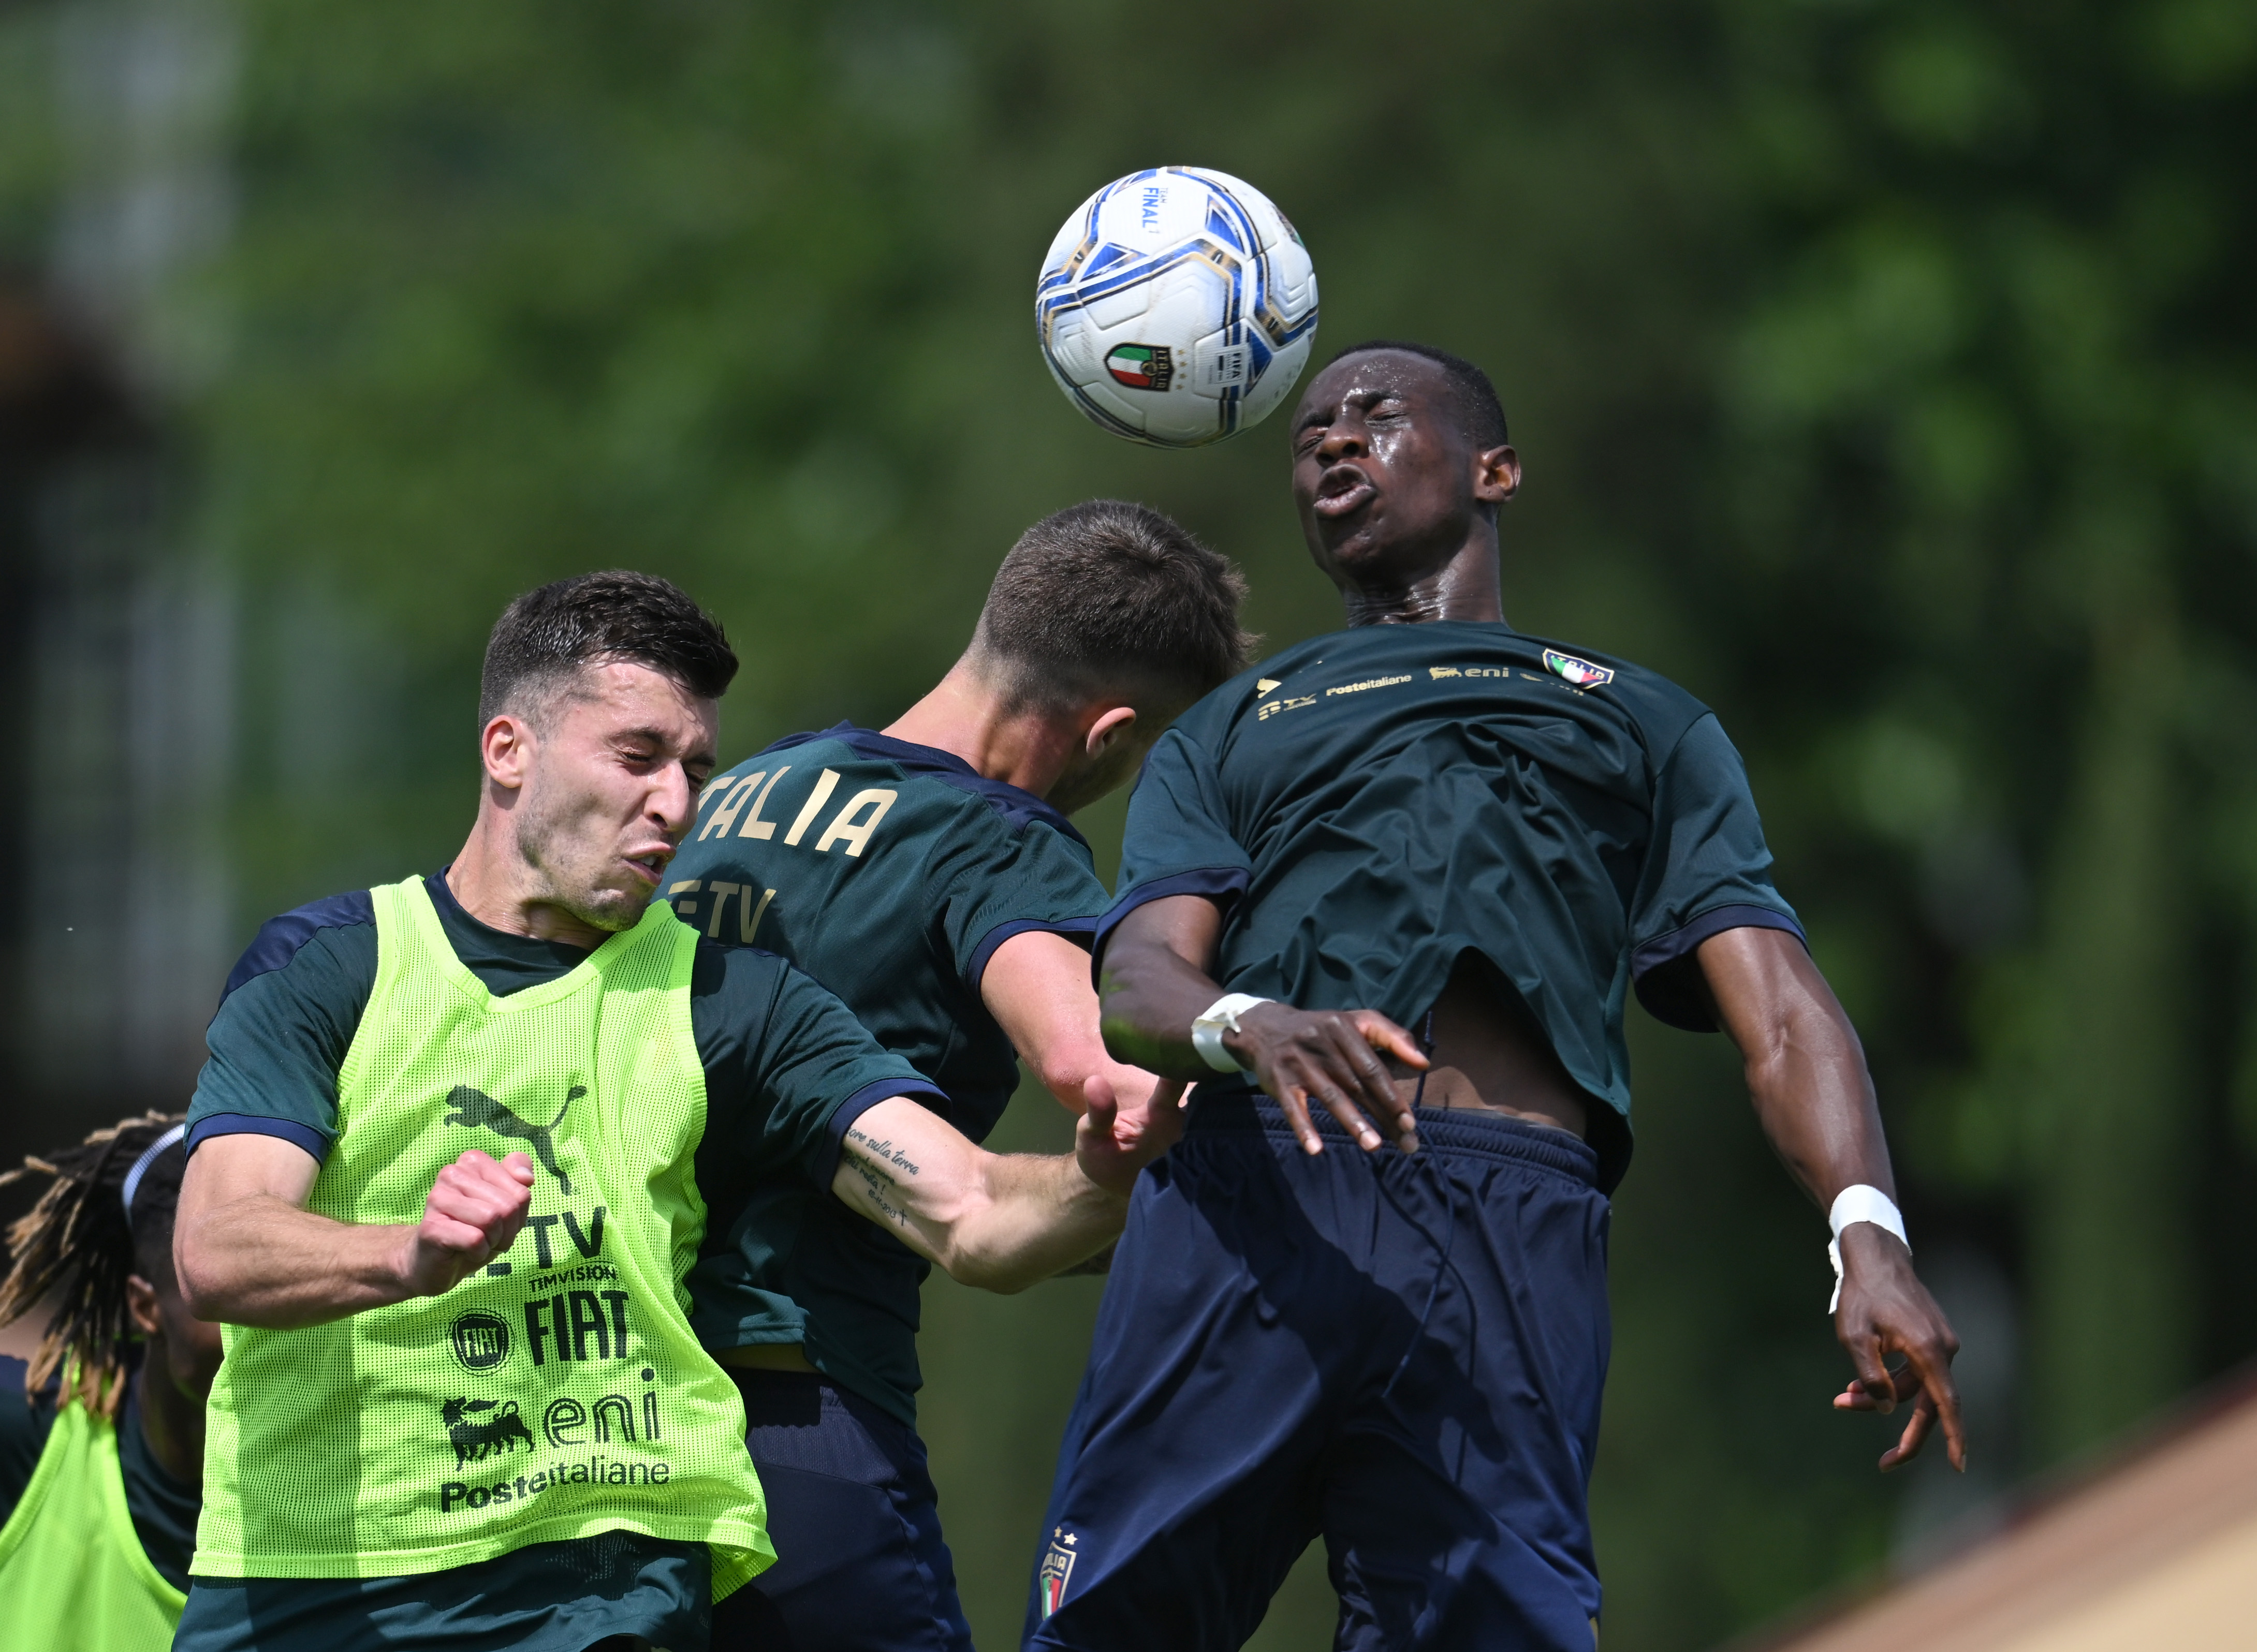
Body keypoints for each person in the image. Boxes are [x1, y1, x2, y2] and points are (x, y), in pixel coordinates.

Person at [1024, 343, 1968, 1652]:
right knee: (1110, 1631)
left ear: (1495, 471)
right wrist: (1245, 1022)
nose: (1331, 445)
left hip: (1506, 1237)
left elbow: (1785, 1011)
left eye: (1373, 419)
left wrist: (1864, 1233)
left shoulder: (1639, 720)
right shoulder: (1237, 725)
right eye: (1308, 437)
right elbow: (1134, 978)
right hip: (1260, 1196)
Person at [171, 571, 1176, 1652]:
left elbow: (972, 1211)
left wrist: (1098, 1176)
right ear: (508, 750)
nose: (676, 804)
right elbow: (218, 1250)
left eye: (695, 767)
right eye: (638, 757)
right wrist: (406, 1256)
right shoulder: (329, 965)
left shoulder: (731, 1002)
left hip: (589, 1596)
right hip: (309, 1582)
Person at [661, 499, 1251, 1652]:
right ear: (1111, 733)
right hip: (799, 1420)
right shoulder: (996, 840)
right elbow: (1092, 1062)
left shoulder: (732, 795)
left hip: (602, 1419)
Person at [0, 1113, 214, 1648]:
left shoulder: (361, 1479)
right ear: (146, 1307)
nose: (270, 1317)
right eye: (226, 1294)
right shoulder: (32, 1438)